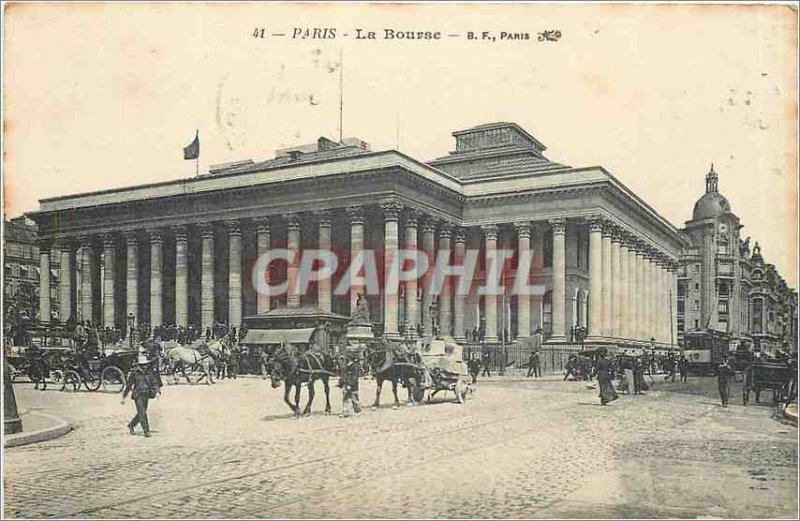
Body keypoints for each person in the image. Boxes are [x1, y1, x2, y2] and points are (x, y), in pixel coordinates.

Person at [121, 355, 162, 437]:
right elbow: (129, 386)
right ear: (139, 365)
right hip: (138, 395)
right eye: (143, 365)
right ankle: (146, 431)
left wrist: (157, 392)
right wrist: (124, 397)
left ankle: (131, 425)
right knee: (142, 413)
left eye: (146, 365)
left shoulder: (149, 373)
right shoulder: (134, 374)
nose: (145, 366)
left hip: (146, 395)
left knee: (141, 413)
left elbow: (154, 383)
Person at [339, 349, 362, 417]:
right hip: (347, 384)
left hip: (352, 385)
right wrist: (341, 382)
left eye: (347, 358)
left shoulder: (354, 366)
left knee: (354, 398)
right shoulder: (348, 366)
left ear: (349, 358)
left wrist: (350, 385)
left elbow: (354, 377)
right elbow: (344, 375)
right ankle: (345, 411)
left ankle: (357, 410)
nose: (345, 359)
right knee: (346, 398)